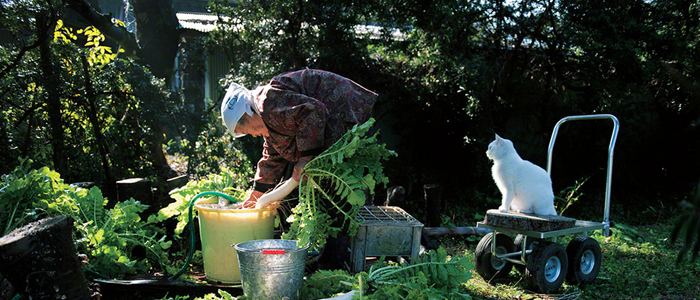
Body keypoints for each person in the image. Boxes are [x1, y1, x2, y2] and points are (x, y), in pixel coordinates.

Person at [220, 69, 378, 208]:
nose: (253, 135)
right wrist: (256, 195)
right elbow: (272, 157)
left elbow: (313, 111)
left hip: (345, 112)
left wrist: (305, 159)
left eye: (246, 130)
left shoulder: (268, 101)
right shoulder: (269, 121)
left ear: (247, 114)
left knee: (350, 187)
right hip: (338, 119)